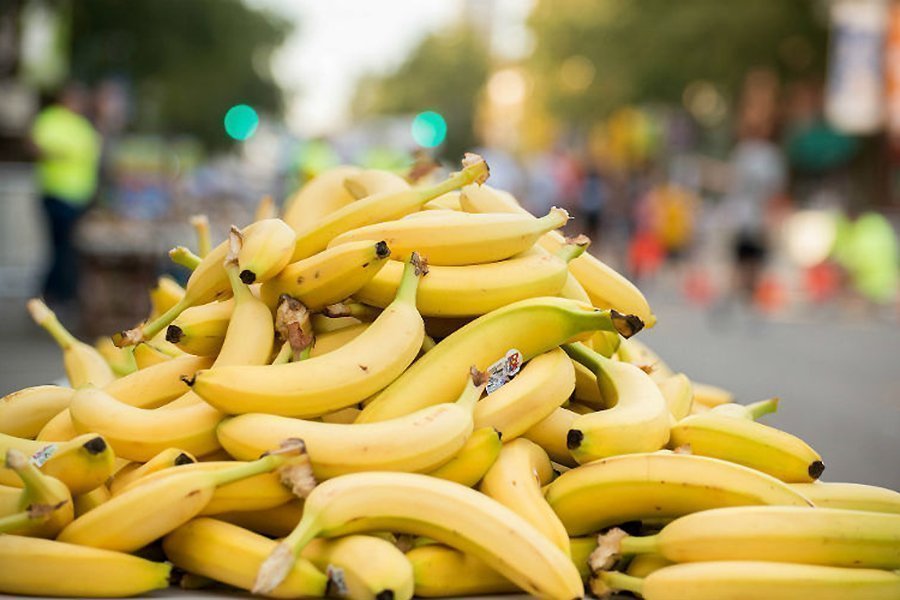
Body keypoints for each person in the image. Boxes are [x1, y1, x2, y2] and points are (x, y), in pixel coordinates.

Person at [29, 82, 101, 306]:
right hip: (57, 193)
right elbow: (35, 146)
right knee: (62, 247)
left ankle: (58, 293)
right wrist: (57, 154)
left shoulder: (82, 125)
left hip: (79, 196)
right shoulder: (51, 119)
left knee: (68, 247)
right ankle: (54, 293)